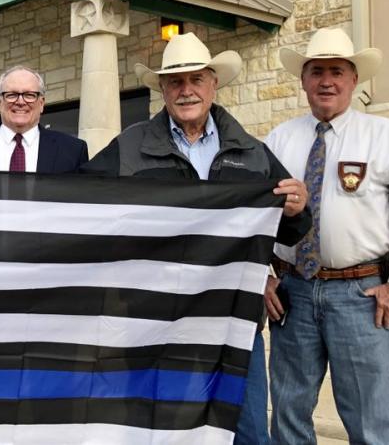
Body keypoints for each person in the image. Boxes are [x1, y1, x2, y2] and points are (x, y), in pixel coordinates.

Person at [82, 32, 310, 445]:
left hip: (232, 322)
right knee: (157, 428)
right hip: (153, 323)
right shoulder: (129, 147)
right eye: (175, 82)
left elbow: (292, 227)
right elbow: (78, 204)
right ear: (163, 90)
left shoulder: (252, 152)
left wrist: (296, 210)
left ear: (213, 84)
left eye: (196, 80)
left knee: (247, 431)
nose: (186, 90)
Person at [264, 27, 389, 445]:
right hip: (293, 295)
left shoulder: (385, 137)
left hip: (360, 296)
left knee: (371, 420)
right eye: (316, 71)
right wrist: (261, 275)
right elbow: (256, 219)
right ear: (303, 80)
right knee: (288, 413)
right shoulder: (279, 140)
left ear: (354, 79)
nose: (327, 81)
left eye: (337, 71)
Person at [0, 65, 88, 173]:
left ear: (42, 103)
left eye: (30, 95)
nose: (20, 102)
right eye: (11, 94)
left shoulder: (73, 151)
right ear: (0, 102)